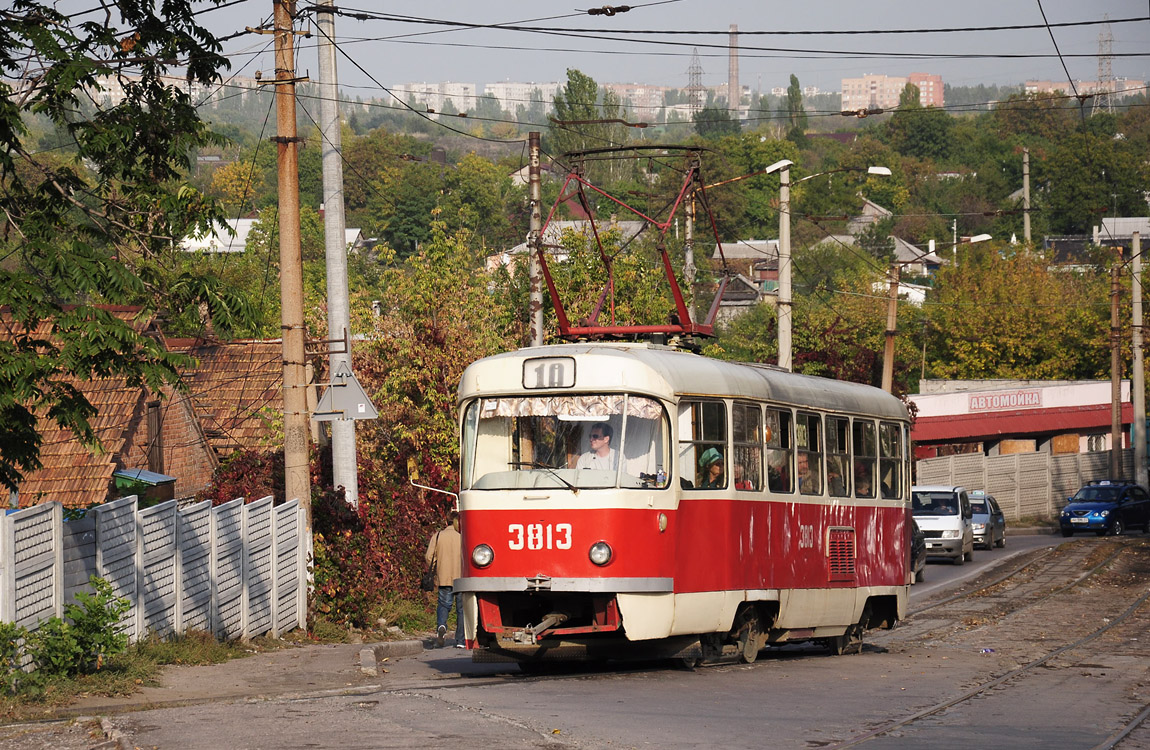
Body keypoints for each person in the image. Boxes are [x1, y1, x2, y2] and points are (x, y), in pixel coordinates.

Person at [425, 511, 463, 648]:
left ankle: (441, 626)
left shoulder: (438, 536)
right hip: (461, 579)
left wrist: (437, 566)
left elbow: (429, 556)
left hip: (444, 577)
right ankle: (460, 641)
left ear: (447, 521)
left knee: (444, 605)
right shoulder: (463, 536)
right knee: (461, 610)